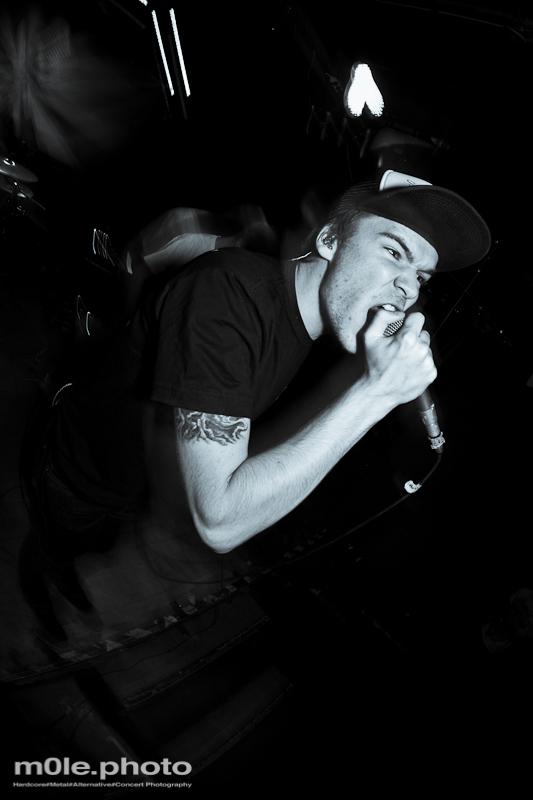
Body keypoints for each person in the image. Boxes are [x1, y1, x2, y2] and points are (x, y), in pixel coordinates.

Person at [21, 171, 491, 639]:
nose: (409, 289)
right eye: (393, 252)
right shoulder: (227, 293)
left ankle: (62, 568)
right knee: (54, 544)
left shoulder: (303, 327)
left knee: (92, 546)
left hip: (129, 486)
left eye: (421, 276)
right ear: (329, 240)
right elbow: (220, 521)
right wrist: (375, 393)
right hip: (79, 472)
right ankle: (36, 580)